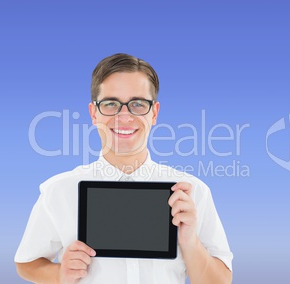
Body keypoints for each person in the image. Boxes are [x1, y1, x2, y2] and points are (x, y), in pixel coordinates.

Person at [15, 53, 233, 284]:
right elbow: (27, 263)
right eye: (111, 104)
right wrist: (60, 274)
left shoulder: (191, 193)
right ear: (93, 113)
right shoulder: (59, 191)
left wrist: (191, 243)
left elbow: (220, 280)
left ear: (155, 113)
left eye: (138, 104)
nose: (124, 116)